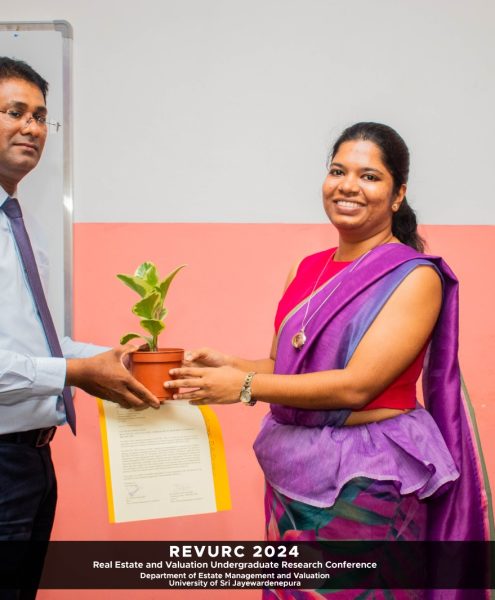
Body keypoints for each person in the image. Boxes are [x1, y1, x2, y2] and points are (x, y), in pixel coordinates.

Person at [165, 122, 492, 596]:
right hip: (294, 466)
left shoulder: (413, 276)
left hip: (369, 474)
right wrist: (230, 365)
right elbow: (285, 366)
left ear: (397, 195)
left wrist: (244, 387)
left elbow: (357, 385)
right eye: (338, 171)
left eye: (369, 176)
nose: (348, 186)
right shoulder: (306, 268)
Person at [0, 57, 159, 598]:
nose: (32, 127)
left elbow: (43, 345)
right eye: (15, 112)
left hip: (32, 461)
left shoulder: (23, 225)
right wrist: (78, 372)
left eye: (41, 116)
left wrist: (123, 361)